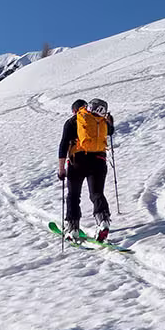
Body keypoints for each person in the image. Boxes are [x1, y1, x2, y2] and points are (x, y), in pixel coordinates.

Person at [57, 97, 114, 241]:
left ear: (75, 110)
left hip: (78, 162)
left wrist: (61, 169)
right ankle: (103, 221)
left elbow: (63, 145)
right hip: (99, 161)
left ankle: (73, 228)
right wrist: (109, 121)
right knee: (96, 193)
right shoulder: (99, 121)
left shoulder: (72, 122)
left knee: (73, 195)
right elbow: (111, 131)